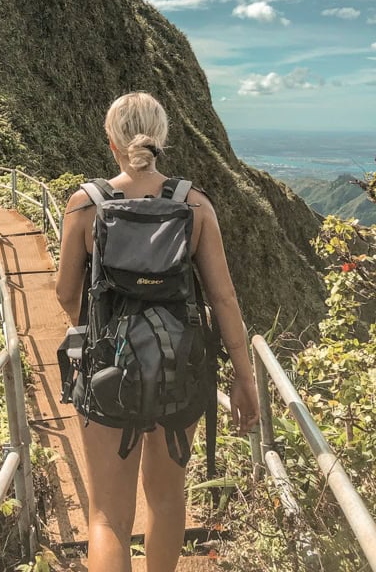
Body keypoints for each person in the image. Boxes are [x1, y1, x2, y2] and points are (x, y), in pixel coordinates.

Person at [56, 91, 259, 572]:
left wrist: (96, 338)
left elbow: (66, 293)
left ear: (112, 143)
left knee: (107, 518)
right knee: (167, 501)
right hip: (180, 368)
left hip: (110, 371)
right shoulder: (194, 204)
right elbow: (224, 298)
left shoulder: (86, 205)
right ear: (161, 139)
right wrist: (245, 376)